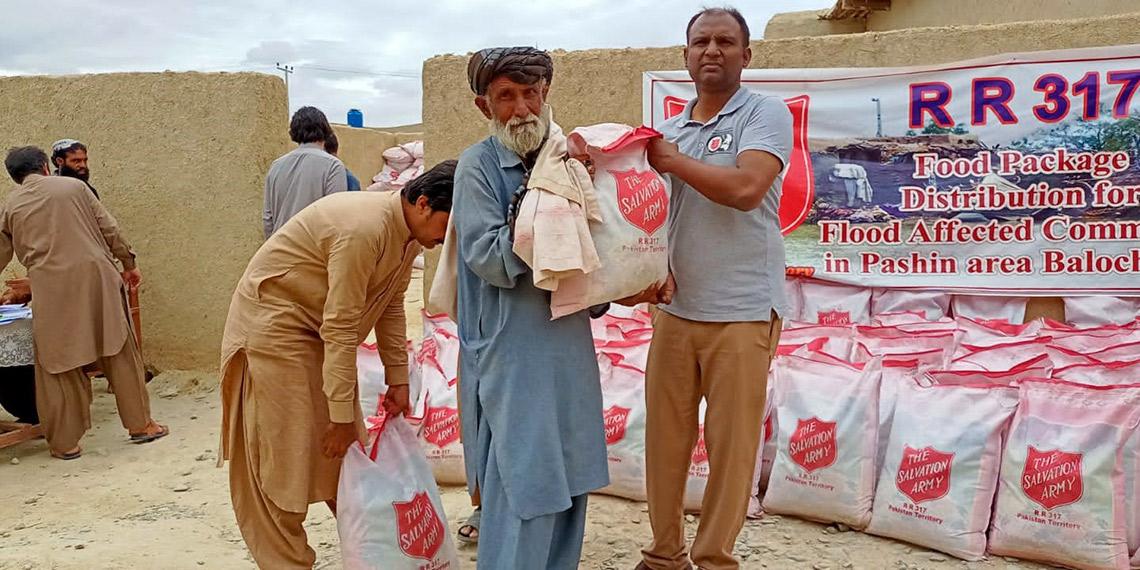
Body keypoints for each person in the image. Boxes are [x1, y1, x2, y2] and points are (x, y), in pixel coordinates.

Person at [219, 160, 457, 569]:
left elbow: (389, 306)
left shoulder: (410, 238)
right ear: (422, 204)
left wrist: (397, 379)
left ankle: (374, 551)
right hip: (274, 327)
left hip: (314, 330)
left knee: (344, 449)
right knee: (288, 455)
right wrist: (341, 415)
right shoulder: (364, 230)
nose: (448, 240)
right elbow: (342, 326)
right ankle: (285, 560)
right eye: (448, 227)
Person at [635, 7, 793, 570]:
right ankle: (663, 555)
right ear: (685, 55)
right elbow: (648, 218)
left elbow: (748, 188)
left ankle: (715, 558)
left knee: (731, 449)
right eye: (700, 41)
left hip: (744, 309)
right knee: (666, 442)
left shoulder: (764, 114)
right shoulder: (669, 130)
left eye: (726, 41)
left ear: (746, 56)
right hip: (677, 310)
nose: (712, 50)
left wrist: (673, 161)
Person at [453, 46, 611, 569]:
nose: (521, 108)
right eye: (506, 97)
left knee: (569, 478)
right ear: (485, 107)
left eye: (531, 94)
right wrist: (545, 198)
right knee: (523, 481)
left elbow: (595, 252)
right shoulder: (478, 167)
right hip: (512, 350)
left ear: (545, 95)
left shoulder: (568, 160)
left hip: (567, 345)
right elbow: (488, 257)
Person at [0, 146, 168, 460]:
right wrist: (128, 263)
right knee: (119, 352)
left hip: (49, 288)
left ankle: (65, 444)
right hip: (97, 280)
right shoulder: (75, 187)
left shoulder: (10, 204)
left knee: (55, 364)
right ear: (46, 167)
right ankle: (142, 426)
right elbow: (110, 229)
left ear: (15, 177)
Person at [262, 106, 348, 238]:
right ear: (325, 129)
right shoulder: (333, 166)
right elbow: (336, 216)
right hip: (313, 251)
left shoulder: (276, 166)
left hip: (279, 247)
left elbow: (268, 218)